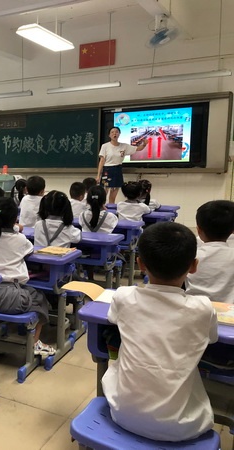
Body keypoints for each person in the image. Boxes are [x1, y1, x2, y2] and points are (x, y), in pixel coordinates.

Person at [102, 222, 218, 441]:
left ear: (140, 264)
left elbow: (112, 318)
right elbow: (212, 339)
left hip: (123, 414)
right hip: (182, 428)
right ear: (194, 266)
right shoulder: (203, 307)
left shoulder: (124, 296)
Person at [0, 197, 55, 356]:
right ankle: (35, 343)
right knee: (40, 298)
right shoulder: (20, 239)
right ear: (15, 219)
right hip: (14, 297)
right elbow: (29, 250)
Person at [186, 200, 234, 303]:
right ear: (232, 231)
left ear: (198, 230)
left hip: (195, 308)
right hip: (229, 311)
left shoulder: (189, 255)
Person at [96, 126, 148, 204]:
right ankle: (100, 208)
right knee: (104, 192)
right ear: (109, 135)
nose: (114, 134)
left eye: (116, 132)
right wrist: (98, 175)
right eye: (112, 132)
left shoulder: (124, 146)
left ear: (119, 134)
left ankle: (111, 208)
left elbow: (138, 149)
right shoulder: (105, 146)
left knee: (114, 193)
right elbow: (102, 161)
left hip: (117, 170)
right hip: (107, 170)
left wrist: (144, 144)